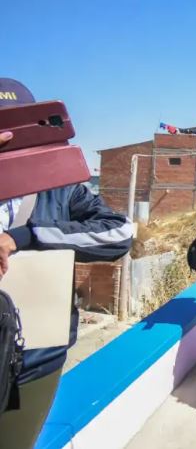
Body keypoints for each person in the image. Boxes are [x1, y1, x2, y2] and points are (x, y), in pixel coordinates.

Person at [0, 80, 133, 448]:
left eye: (14, 123)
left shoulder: (62, 186)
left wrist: (29, 236)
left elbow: (118, 234)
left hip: (36, 358)